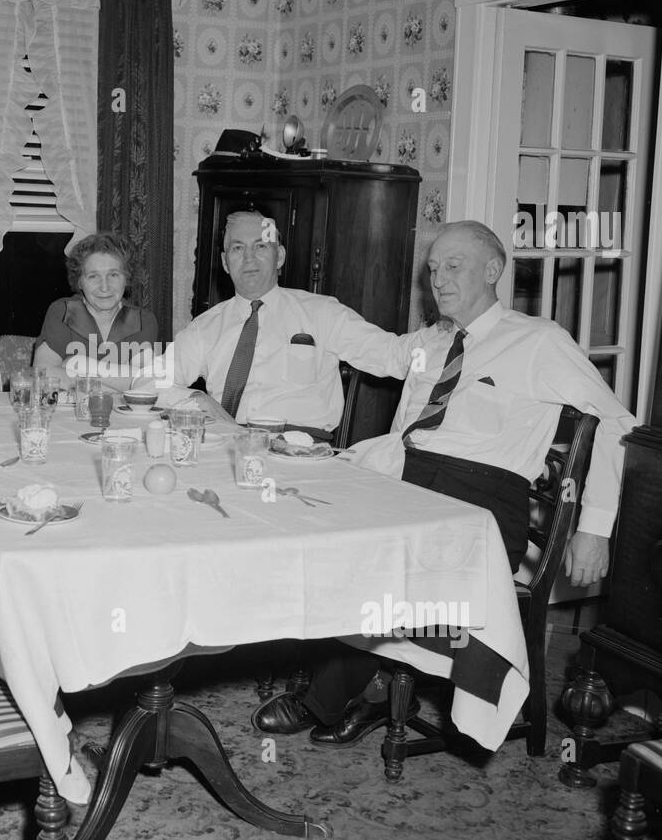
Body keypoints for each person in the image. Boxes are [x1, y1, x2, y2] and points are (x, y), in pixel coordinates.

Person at [252, 220, 637, 746]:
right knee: (310, 514)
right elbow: (373, 350)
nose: (438, 279)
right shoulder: (433, 340)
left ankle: (333, 691)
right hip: (407, 482)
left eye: (453, 266)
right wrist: (290, 306)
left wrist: (594, 526)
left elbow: (617, 423)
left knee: (375, 557)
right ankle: (364, 681)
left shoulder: (539, 341)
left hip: (479, 499)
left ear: (494, 270)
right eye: (433, 269)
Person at [145, 210, 412, 440]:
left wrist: (442, 339)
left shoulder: (322, 313)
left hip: (299, 450)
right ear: (226, 263)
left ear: (280, 256)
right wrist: (194, 400)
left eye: (261, 246)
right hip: (227, 444)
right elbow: (147, 382)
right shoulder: (205, 327)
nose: (249, 258)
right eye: (238, 248)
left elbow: (394, 355)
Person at [32, 232, 163, 391]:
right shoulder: (65, 312)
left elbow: (143, 384)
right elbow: (43, 373)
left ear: (126, 278)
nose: (104, 286)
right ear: (80, 282)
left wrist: (77, 365)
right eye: (93, 276)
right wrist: (117, 380)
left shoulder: (143, 320)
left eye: (113, 274)